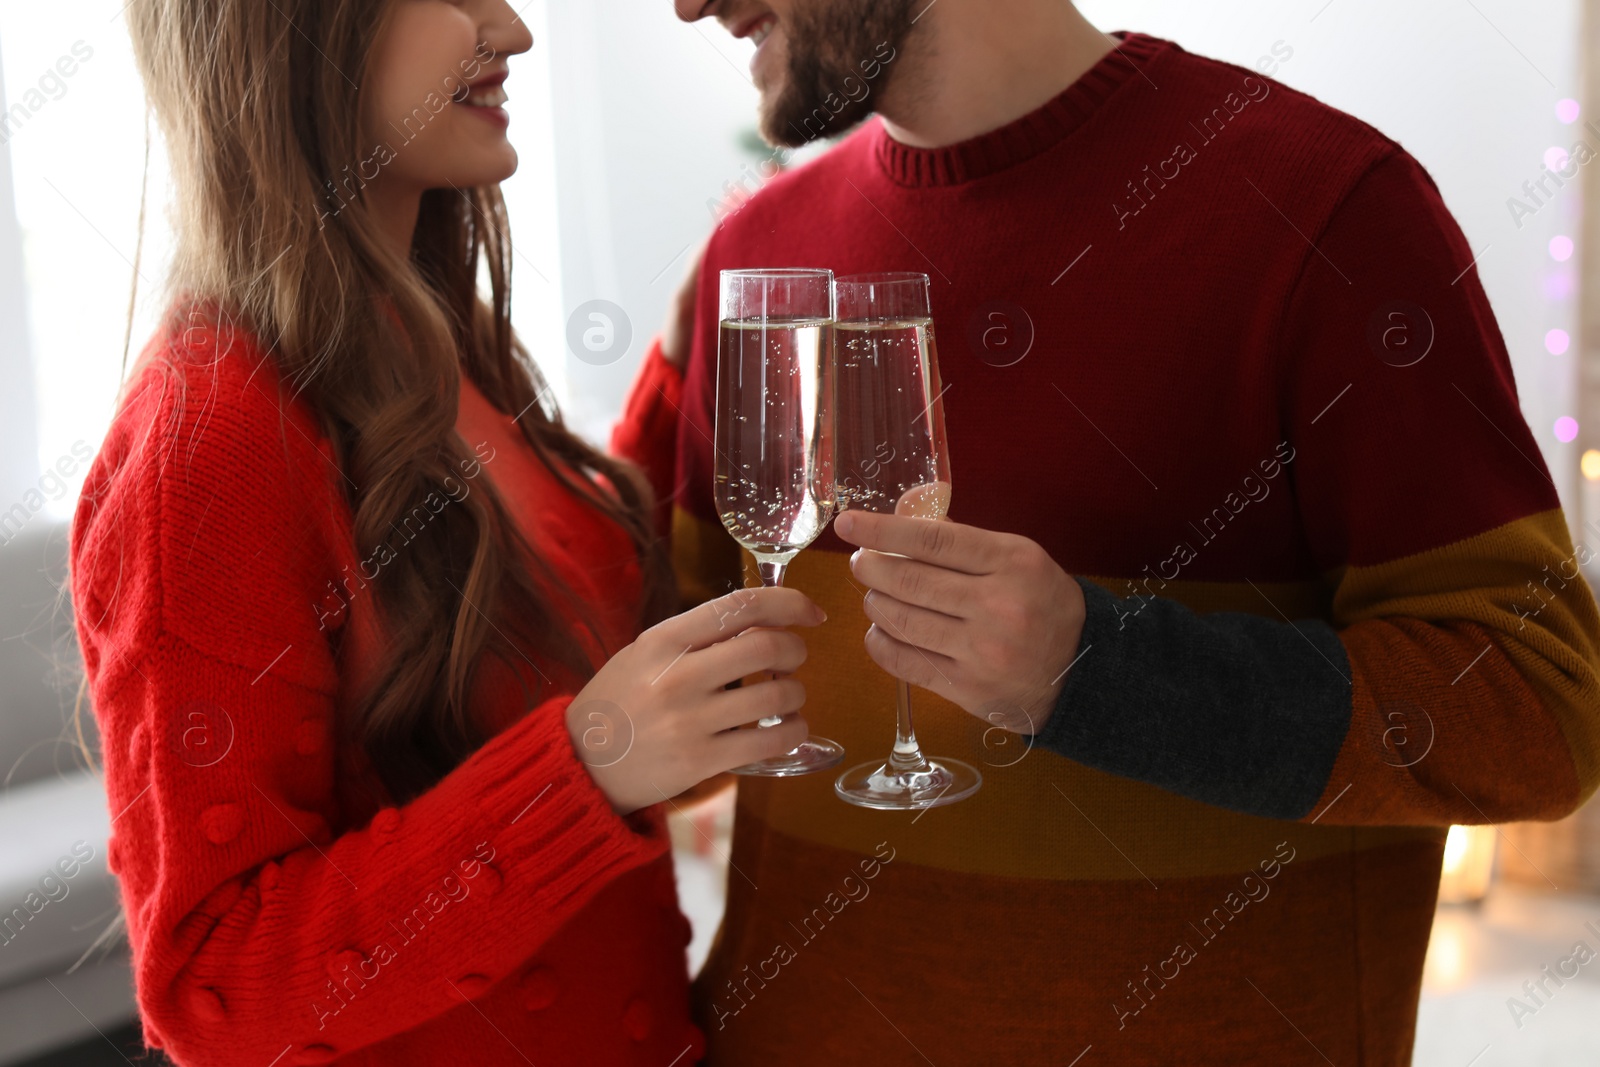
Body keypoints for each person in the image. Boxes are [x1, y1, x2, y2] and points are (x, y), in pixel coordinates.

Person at [645, 0, 1600, 1063]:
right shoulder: (757, 256)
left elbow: (1538, 709)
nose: (686, 4)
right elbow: (682, 722)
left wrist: (1097, 669)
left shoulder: (1327, 211)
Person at [69, 2, 826, 1064]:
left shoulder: (432, 345)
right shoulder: (211, 437)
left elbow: (556, 625)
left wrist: (670, 374)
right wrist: (587, 769)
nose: (512, 31)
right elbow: (211, 984)